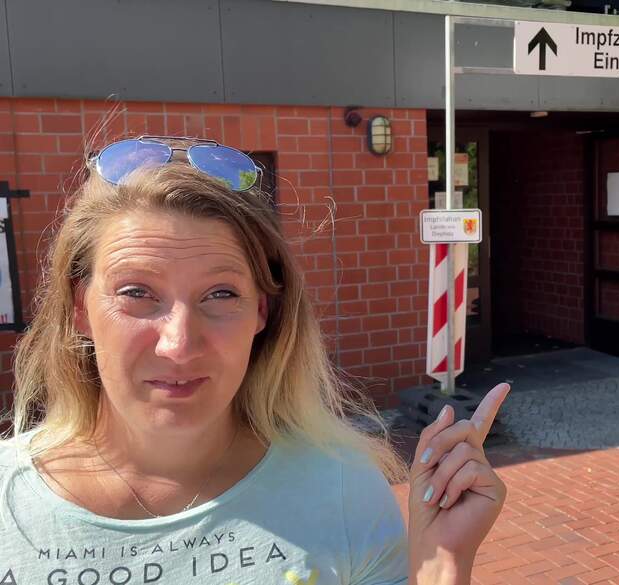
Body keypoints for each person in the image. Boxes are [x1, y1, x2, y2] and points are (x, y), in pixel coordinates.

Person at [0, 135, 510, 585]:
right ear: (80, 309)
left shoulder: (342, 490)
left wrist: (442, 567)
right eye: (137, 292)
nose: (178, 344)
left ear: (262, 313)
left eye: (220, 294)